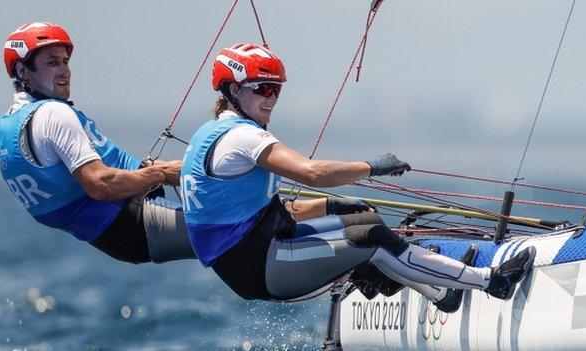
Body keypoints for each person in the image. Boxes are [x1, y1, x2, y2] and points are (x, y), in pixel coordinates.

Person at [180, 43, 536, 308]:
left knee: (360, 217)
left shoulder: (209, 134)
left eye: (276, 88)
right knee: (374, 237)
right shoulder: (242, 137)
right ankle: (492, 282)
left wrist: (335, 205)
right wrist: (372, 166)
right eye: (262, 88)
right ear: (233, 89)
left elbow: (261, 212)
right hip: (260, 266)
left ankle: (437, 291)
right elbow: (312, 172)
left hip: (254, 256)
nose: (272, 98)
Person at [0, 22, 195, 264]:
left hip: (119, 235)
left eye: (65, 62)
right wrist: (160, 173)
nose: (64, 71)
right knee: (239, 231)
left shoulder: (7, 126)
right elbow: (100, 184)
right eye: (52, 62)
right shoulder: (52, 114)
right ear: (22, 71)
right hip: (138, 219)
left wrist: (149, 171)